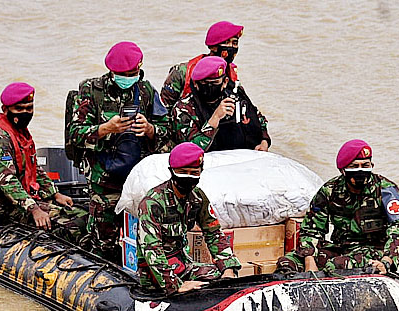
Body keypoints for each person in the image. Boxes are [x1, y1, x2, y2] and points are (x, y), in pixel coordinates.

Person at [66, 41, 171, 262]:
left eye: (133, 73)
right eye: (123, 74)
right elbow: (75, 134)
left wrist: (150, 130)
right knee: (104, 243)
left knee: (145, 237)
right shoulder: (91, 90)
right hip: (105, 177)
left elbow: (168, 129)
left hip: (138, 177)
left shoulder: (145, 91)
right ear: (112, 72)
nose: (128, 77)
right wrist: (105, 129)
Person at [0, 82, 87, 244]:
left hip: (20, 200)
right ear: (5, 110)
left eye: (29, 109)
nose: (25, 113)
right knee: (70, 226)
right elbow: (8, 183)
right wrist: (34, 210)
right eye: (19, 109)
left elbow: (35, 169)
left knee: (83, 215)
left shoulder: (21, 135)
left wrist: (55, 194)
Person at [276, 139, 399, 274]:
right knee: (287, 262)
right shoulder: (330, 191)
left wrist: (386, 261)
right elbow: (312, 230)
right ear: (343, 170)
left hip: (374, 253)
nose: (360, 171)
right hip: (341, 248)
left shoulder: (386, 190)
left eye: (365, 165)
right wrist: (309, 262)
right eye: (354, 166)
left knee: (335, 266)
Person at [137, 142, 241, 295]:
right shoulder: (153, 202)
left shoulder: (197, 198)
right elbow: (151, 249)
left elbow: (214, 233)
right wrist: (175, 285)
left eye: (194, 172)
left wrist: (228, 269)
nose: (188, 177)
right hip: (156, 274)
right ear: (171, 171)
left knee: (220, 279)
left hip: (183, 265)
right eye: (183, 172)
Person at [171, 56, 270, 152]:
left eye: (215, 83)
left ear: (225, 82)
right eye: (205, 83)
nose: (210, 87)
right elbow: (190, 150)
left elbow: (260, 120)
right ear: (196, 84)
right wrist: (214, 119)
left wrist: (264, 141)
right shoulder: (183, 108)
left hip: (241, 159)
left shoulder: (236, 97)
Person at [160, 20, 244, 111]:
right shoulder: (183, 72)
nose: (231, 47)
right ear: (212, 47)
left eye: (235, 43)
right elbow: (163, 112)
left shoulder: (231, 73)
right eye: (226, 43)